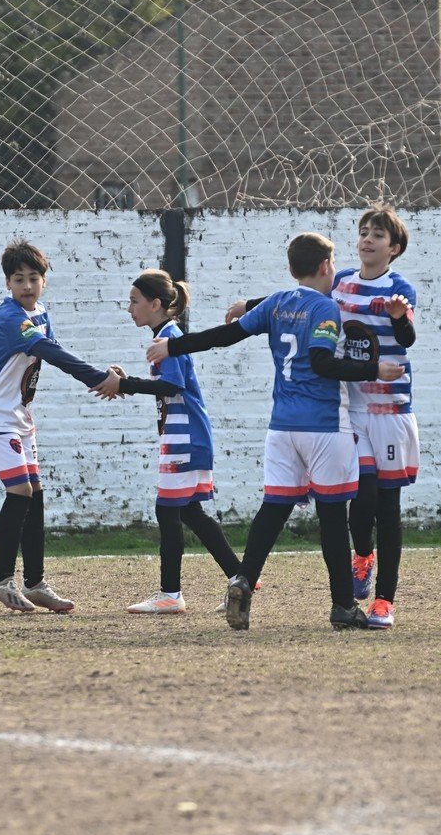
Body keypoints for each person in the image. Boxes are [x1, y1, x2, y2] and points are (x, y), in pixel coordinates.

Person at [147, 231, 403, 631]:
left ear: (290, 269)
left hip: (281, 429)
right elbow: (321, 362)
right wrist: (376, 369)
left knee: (273, 509)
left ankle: (243, 580)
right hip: (322, 427)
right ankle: (342, 606)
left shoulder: (278, 303)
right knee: (333, 516)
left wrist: (174, 347)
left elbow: (225, 336)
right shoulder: (324, 309)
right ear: (324, 267)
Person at [0, 240, 119, 615]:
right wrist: (100, 377)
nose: (27, 286)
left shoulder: (41, 313)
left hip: (17, 414)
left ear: (44, 282)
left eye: (34, 278)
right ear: (8, 284)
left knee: (35, 493)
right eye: (19, 279)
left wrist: (107, 374)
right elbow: (51, 353)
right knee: (20, 492)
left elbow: (54, 345)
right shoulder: (10, 319)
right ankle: (1, 581)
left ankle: (35, 584)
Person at [92, 269, 243, 614]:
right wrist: (126, 381)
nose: (129, 308)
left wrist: (125, 385)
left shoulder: (168, 340)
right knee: (189, 511)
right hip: (185, 435)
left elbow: (171, 387)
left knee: (169, 509)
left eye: (134, 301)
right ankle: (240, 577)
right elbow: (170, 386)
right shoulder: (167, 337)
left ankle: (171, 595)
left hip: (184, 437)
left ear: (155, 304)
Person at [331, 206, 418, 629]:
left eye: (377, 235)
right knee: (360, 498)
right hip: (351, 408)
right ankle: (362, 553)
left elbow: (408, 338)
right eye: (364, 232)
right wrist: (251, 305)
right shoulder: (341, 281)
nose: (367, 239)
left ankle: (385, 601)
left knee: (387, 505)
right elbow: (307, 300)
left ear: (393, 248)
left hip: (389, 411)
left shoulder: (400, 289)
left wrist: (401, 319)